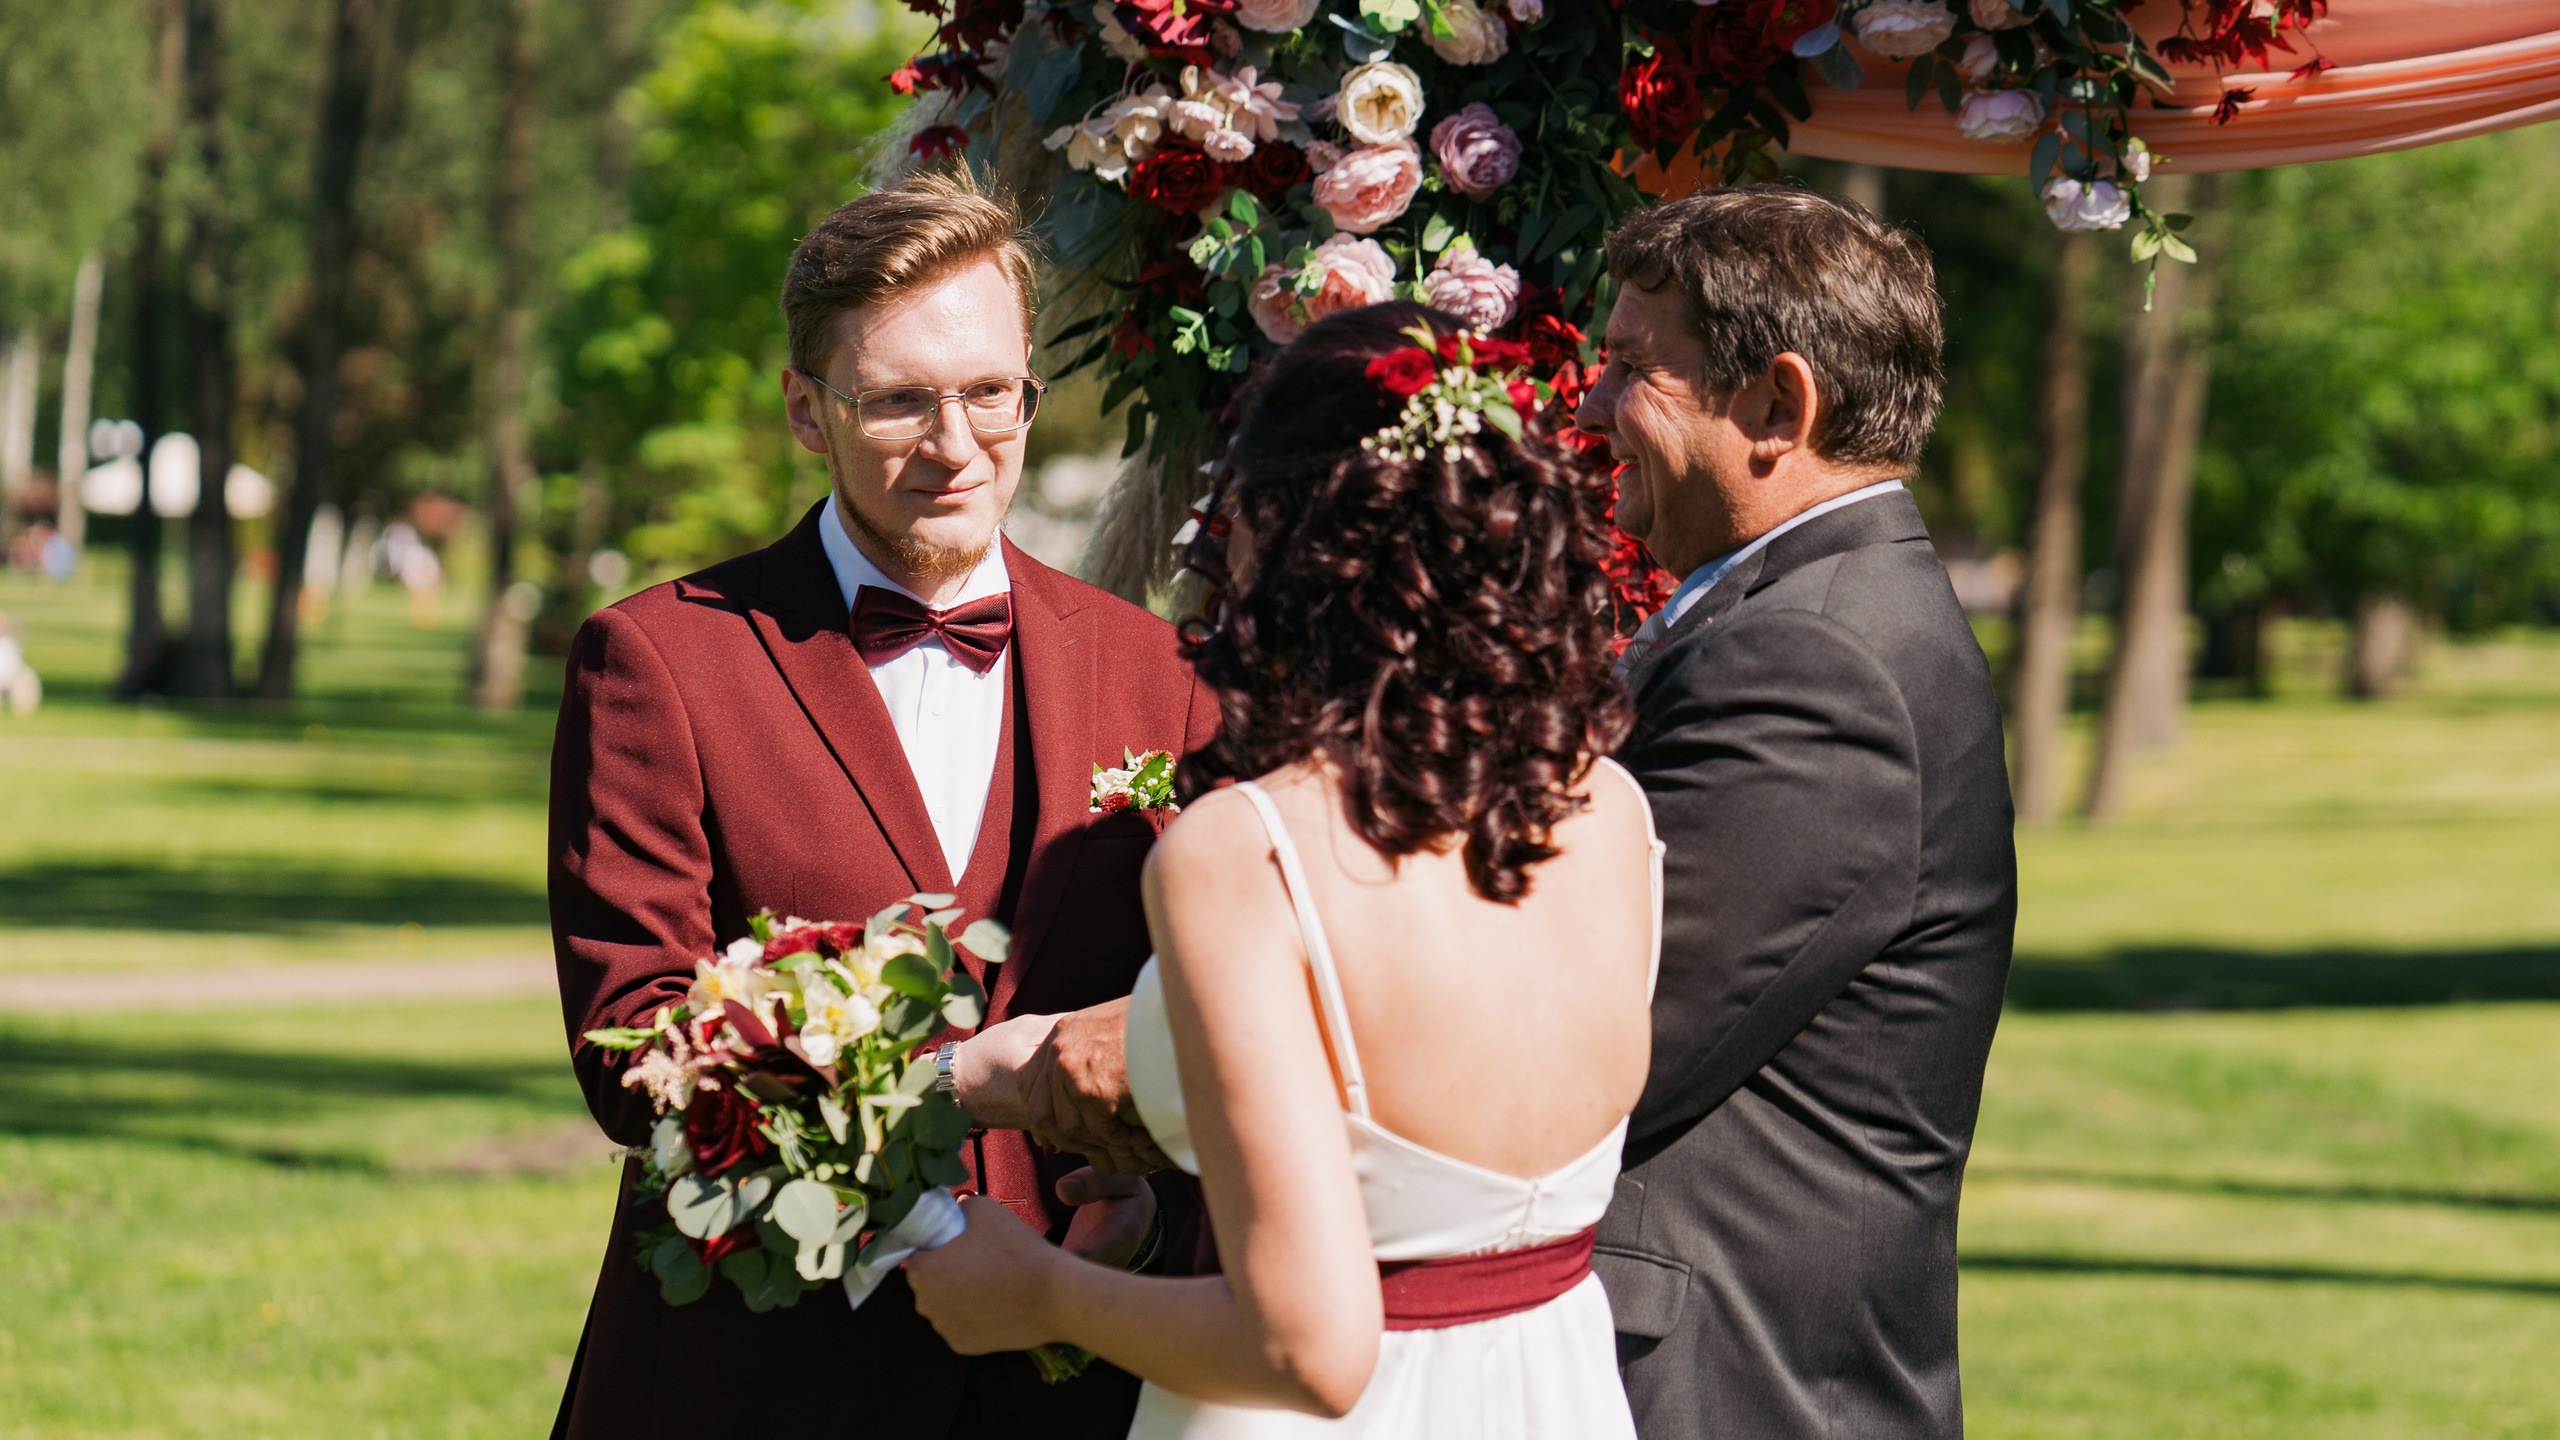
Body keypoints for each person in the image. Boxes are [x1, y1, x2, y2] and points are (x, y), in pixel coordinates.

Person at [905, 301, 1664, 1438]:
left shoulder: (1252, 850)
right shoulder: (1607, 807)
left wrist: (1042, 1291)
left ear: (1287, 532)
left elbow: (1308, 1348)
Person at [546, 170, 1219, 1440]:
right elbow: (637, 1056)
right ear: (808, 409)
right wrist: (959, 1081)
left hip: (1068, 1371)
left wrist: (1151, 1215)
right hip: (758, 1380)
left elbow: (1222, 1018)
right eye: (901, 401)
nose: (957, 445)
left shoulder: (1163, 676)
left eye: (989, 394)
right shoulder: (660, 664)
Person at [1571, 185, 2017, 1439]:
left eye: (1627, 371)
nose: (1591, 407)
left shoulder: (1820, 661)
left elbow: (1598, 1045)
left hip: (1727, 1390)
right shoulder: (1790, 616)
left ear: (1776, 406)